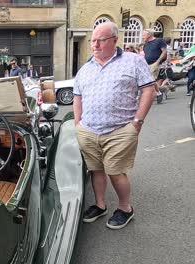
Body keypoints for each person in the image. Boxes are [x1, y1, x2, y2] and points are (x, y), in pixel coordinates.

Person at [73, 22, 155, 229]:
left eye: (101, 40)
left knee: (115, 171)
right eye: (93, 40)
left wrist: (137, 122)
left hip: (119, 130)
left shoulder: (133, 61)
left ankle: (125, 209)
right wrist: (77, 124)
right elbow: (77, 97)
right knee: (96, 169)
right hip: (89, 130)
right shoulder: (86, 68)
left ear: (114, 40)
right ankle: (100, 205)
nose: (95, 45)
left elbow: (148, 90)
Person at [142, 29, 167, 100]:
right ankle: (159, 91)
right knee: (151, 81)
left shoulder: (159, 41)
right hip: (147, 64)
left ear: (149, 34)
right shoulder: (146, 44)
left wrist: (158, 62)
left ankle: (148, 97)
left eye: (144, 35)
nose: (142, 37)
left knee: (149, 81)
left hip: (156, 64)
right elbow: (145, 54)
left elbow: (164, 52)